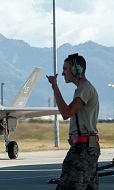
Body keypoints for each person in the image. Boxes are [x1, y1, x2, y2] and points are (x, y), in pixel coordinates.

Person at [47, 53, 100, 190]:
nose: (63, 73)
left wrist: (55, 87)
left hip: (83, 149)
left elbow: (66, 113)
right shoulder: (83, 89)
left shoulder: (85, 89)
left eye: (65, 69)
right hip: (86, 147)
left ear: (76, 70)